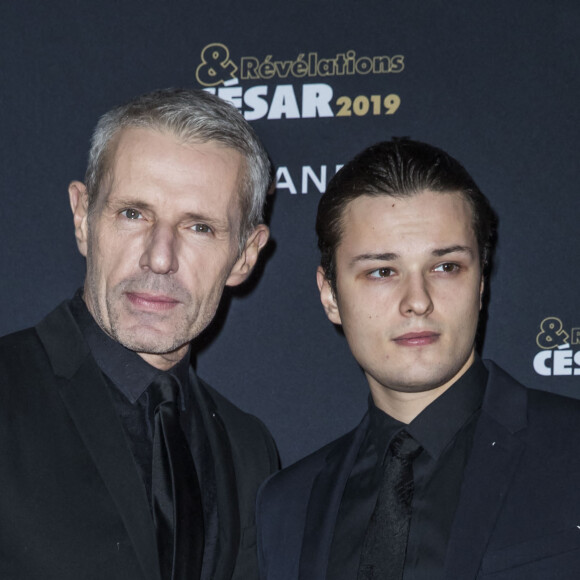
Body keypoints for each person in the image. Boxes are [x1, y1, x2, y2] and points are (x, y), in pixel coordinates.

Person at [256, 139, 580, 580]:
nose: (417, 301)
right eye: (382, 272)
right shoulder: (286, 505)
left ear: (481, 283)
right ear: (330, 295)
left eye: (445, 266)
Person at [0, 88, 279, 580]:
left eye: (199, 227)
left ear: (245, 255)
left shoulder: (247, 448)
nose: (159, 256)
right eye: (133, 214)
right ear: (83, 218)